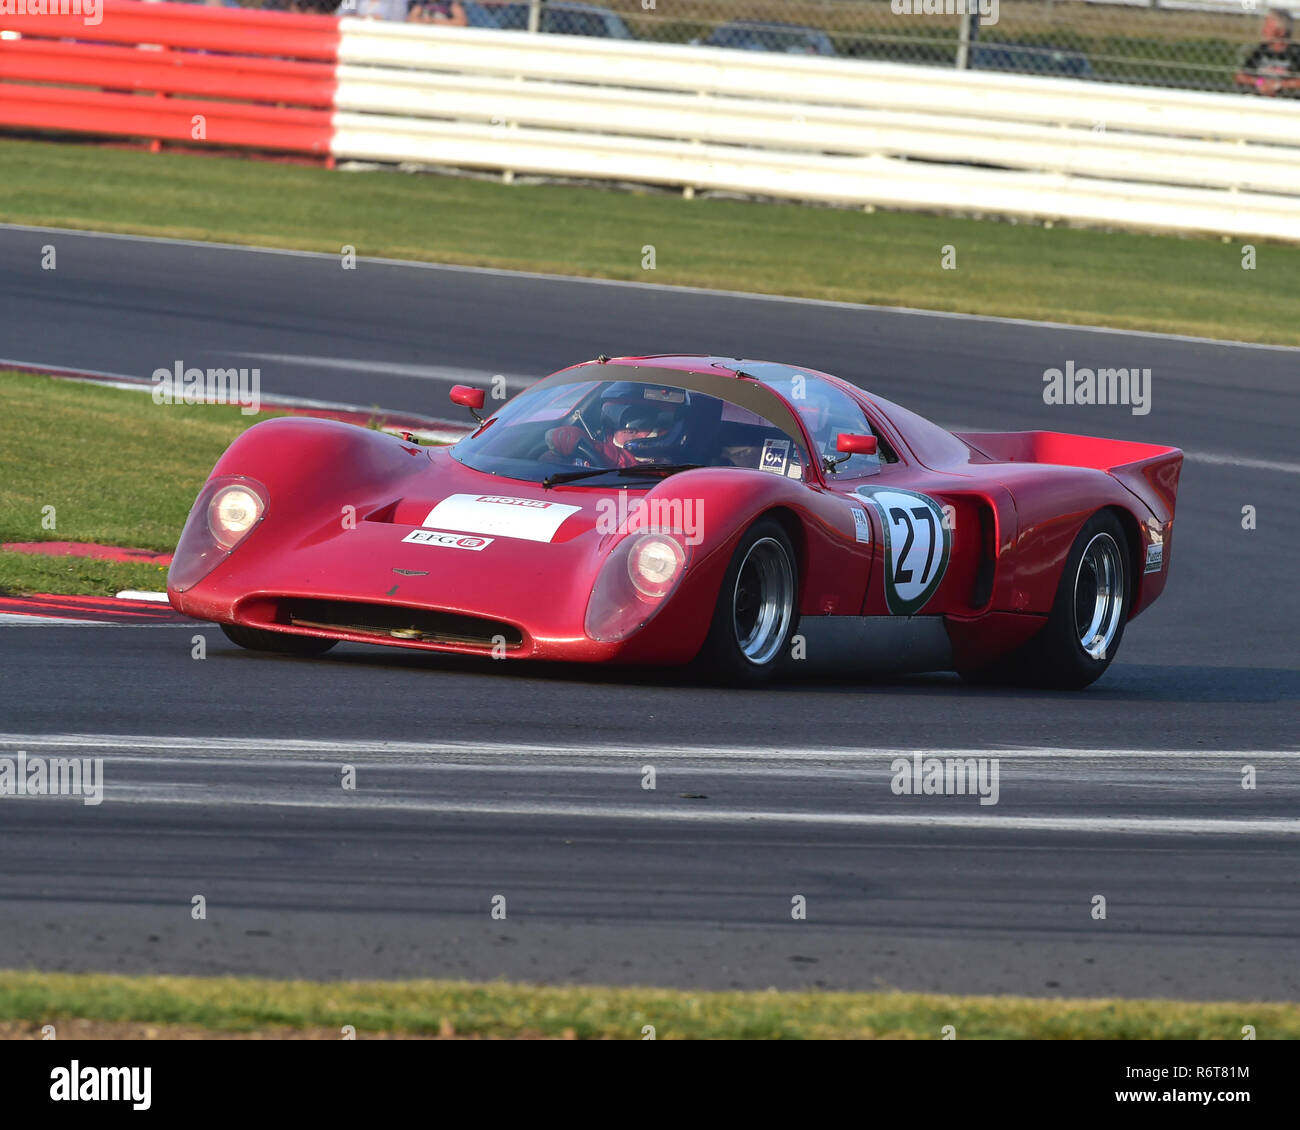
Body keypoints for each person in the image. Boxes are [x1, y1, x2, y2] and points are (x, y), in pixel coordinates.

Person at [1236, 9, 1300, 97]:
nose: (1263, 30)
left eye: (1268, 27)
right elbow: (1241, 76)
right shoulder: (1261, 50)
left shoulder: (1296, 52)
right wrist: (1260, 82)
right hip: (1259, 97)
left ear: (1281, 32)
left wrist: (1277, 85)